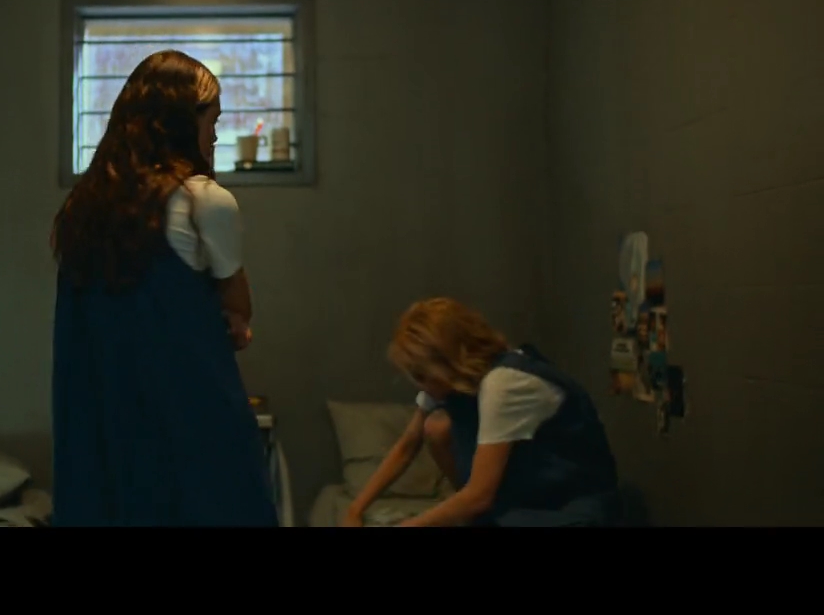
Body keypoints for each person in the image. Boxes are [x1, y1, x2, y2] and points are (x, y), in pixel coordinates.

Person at [49, 49, 277, 527]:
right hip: (190, 420)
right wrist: (229, 317)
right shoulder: (203, 200)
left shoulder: (82, 210)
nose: (215, 135)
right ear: (180, 123)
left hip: (103, 425)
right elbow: (239, 305)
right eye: (212, 121)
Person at [341, 297, 621, 527]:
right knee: (436, 427)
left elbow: (479, 495)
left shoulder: (505, 383)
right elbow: (408, 444)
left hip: (568, 504)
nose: (419, 384)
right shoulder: (450, 383)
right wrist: (355, 509)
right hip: (520, 497)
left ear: (447, 362)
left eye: (422, 375)